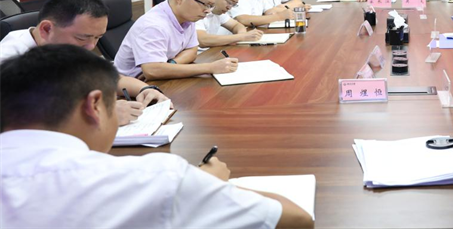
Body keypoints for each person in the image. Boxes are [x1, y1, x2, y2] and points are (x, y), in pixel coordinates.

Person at [0, 44, 313, 228]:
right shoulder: (153, 179)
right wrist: (209, 183)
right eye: (114, 103)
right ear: (94, 106)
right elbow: (296, 220)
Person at [0, 0, 167, 126]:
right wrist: (99, 113)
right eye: (82, 38)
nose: (91, 46)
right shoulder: (9, 58)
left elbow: (107, 78)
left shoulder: (62, 46)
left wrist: (145, 89)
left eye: (98, 38)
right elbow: (17, 116)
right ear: (46, 29)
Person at [114, 0, 239, 80]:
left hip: (161, 79)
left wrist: (171, 64)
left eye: (211, 6)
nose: (208, 11)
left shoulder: (188, 17)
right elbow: (152, 71)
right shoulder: (153, 25)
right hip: (130, 89)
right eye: (205, 4)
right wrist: (210, 67)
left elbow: (192, 51)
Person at [196, 0, 264, 47]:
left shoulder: (219, 13)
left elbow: (236, 25)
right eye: (230, 2)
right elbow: (202, 40)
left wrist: (242, 34)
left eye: (234, 4)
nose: (230, 7)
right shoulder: (198, 11)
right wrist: (241, 37)